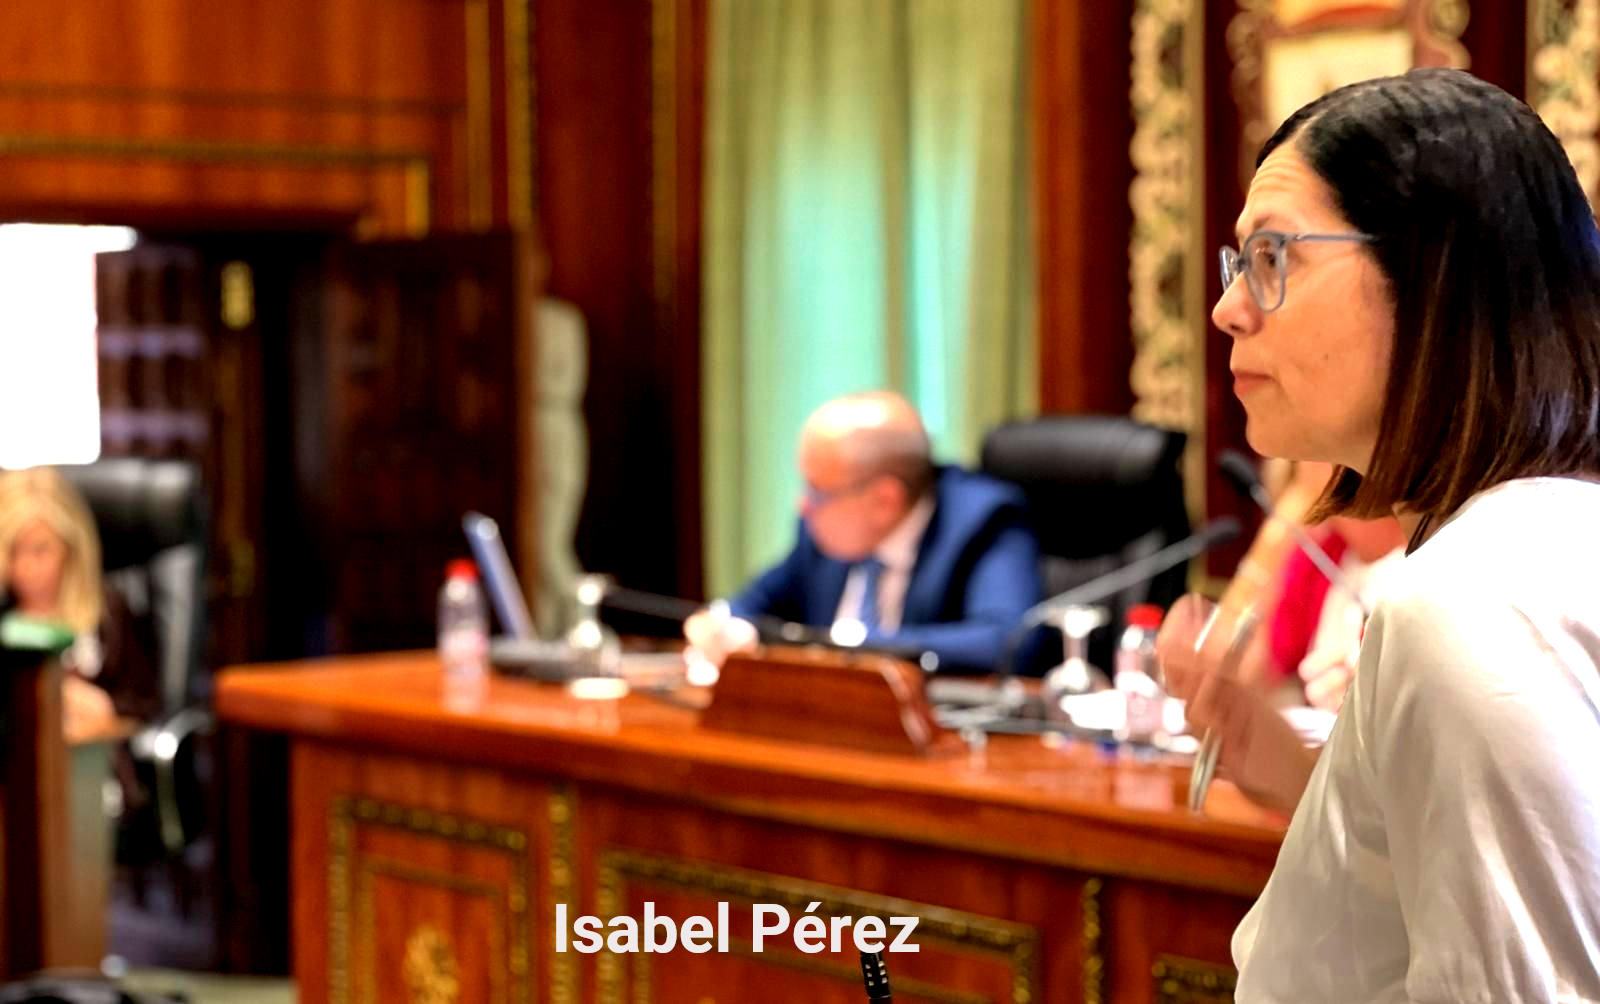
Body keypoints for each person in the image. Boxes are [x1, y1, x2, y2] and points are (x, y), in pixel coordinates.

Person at [1158, 68, 1600, 1001]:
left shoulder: (1470, 599)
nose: (1228, 308)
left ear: (1433, 276)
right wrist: (1309, 780)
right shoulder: (1535, 538)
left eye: (1274, 256)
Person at [685, 391, 1042, 673]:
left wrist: (857, 647)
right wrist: (725, 626)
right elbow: (756, 603)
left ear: (885, 500)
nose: (804, 505)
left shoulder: (984, 521)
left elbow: (1007, 641)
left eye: (818, 491)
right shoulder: (820, 533)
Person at [0, 466, 159, 742]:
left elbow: (145, 708)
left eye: (40, 550)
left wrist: (103, 709)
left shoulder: (109, 611)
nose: (26, 568)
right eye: (13, 552)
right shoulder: (5, 613)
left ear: (71, 548)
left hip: (93, 757)